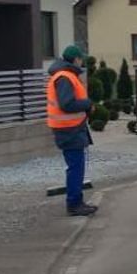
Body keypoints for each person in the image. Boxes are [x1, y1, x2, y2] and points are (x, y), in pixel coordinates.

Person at [48, 45, 97, 217]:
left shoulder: (65, 75)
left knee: (76, 166)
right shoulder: (65, 78)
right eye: (80, 58)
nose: (82, 61)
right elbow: (67, 104)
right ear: (76, 59)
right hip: (68, 130)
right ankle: (74, 204)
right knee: (76, 167)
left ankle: (77, 201)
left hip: (71, 128)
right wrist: (88, 104)